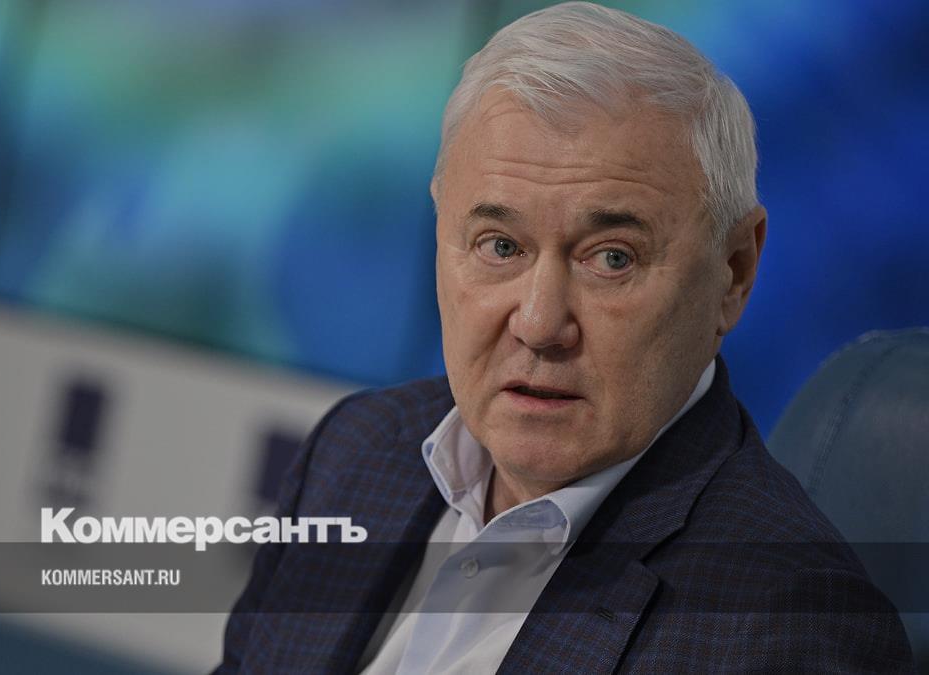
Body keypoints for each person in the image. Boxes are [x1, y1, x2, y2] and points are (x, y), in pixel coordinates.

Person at [216, 3, 915, 672]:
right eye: (499, 245)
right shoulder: (352, 452)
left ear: (734, 272)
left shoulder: (784, 627)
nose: (539, 323)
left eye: (611, 258)